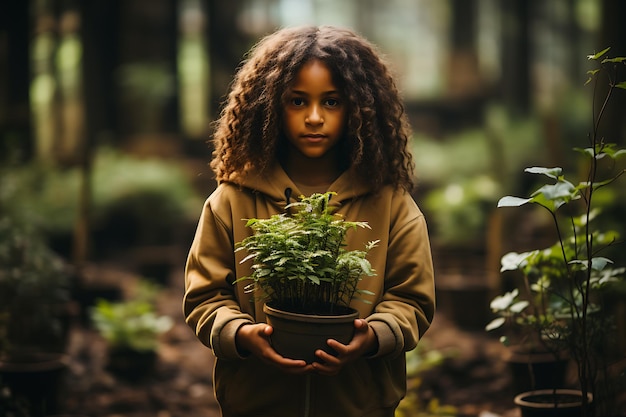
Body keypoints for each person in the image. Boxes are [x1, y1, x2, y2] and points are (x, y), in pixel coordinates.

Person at [183, 25, 436, 417]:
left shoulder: (390, 204)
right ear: (267, 106)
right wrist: (242, 334)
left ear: (359, 109)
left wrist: (372, 337)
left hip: (358, 404)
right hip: (258, 402)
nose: (314, 117)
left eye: (332, 102)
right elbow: (205, 296)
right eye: (297, 101)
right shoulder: (231, 200)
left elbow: (411, 298)